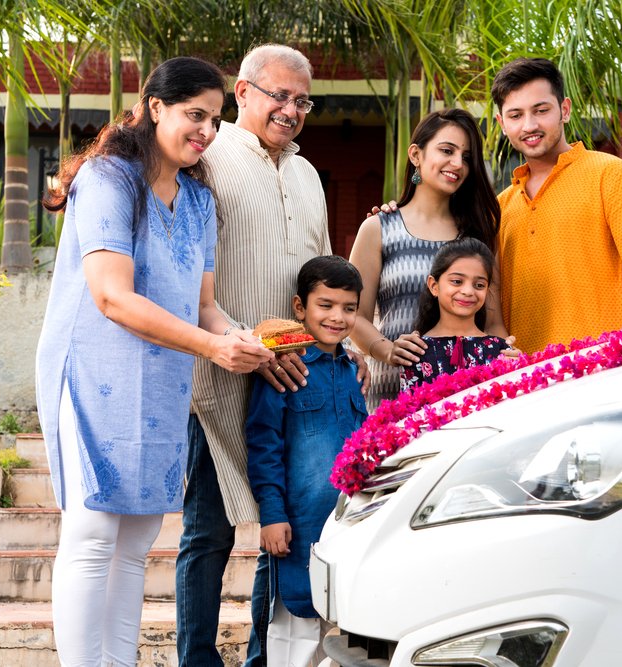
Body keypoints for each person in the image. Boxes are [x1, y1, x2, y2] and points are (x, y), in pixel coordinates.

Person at [35, 57, 272, 667]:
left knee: (137, 541)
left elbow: (206, 306)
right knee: (92, 533)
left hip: (164, 379)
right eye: (196, 115)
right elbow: (111, 297)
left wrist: (243, 339)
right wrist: (211, 347)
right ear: (155, 107)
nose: (207, 132)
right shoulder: (107, 178)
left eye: (215, 120)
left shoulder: (198, 198)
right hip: (93, 373)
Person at [177, 44, 368, 667]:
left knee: (277, 527)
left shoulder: (308, 174)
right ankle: (196, 659)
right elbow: (188, 274)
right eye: (279, 95)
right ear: (243, 92)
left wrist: (342, 345)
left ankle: (263, 657)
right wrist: (245, 345)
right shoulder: (208, 158)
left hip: (293, 379)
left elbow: (323, 272)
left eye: (302, 101)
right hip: (219, 372)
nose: (290, 109)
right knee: (208, 531)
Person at [491, 57, 622, 353]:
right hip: (525, 378)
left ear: (564, 110)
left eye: (541, 110)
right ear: (502, 123)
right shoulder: (501, 207)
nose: (529, 125)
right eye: (516, 115)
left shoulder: (613, 176)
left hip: (605, 371)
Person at [246, 256, 367, 667]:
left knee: (344, 639)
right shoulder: (282, 368)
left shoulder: (353, 370)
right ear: (300, 307)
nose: (337, 317)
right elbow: (265, 442)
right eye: (325, 305)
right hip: (297, 529)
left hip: (347, 529)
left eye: (349, 308)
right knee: (293, 640)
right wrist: (272, 513)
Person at [348, 108, 507, 410]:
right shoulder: (378, 228)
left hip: (466, 397)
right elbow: (354, 316)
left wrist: (505, 357)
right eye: (447, 150)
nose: (457, 163)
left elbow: (493, 321)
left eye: (467, 157)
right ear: (415, 154)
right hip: (393, 392)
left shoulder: (479, 234)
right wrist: (388, 350)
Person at [400, 238, 510, 392]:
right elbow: (410, 406)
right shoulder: (416, 351)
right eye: (457, 281)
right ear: (434, 286)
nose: (468, 291)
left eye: (479, 285)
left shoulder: (501, 350)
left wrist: (516, 370)